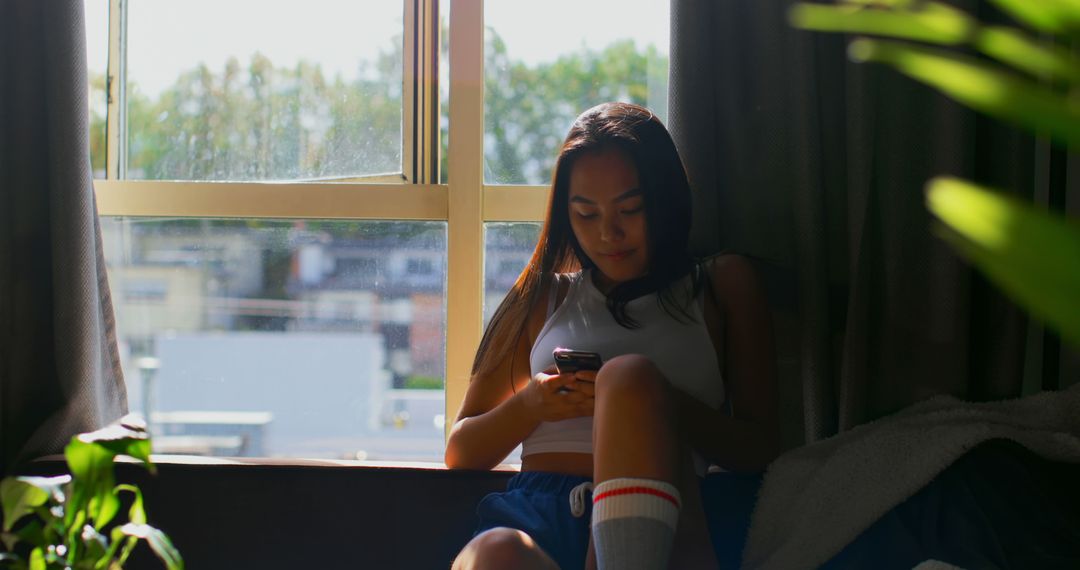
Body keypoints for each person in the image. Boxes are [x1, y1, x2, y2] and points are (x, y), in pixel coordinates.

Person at [446, 102, 779, 570]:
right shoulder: (542, 294)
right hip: (541, 512)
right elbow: (461, 450)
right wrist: (533, 404)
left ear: (665, 199)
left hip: (665, 512)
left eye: (630, 209)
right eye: (585, 214)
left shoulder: (721, 285)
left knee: (628, 380)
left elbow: (760, 447)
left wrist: (654, 403)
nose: (609, 233)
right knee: (495, 552)